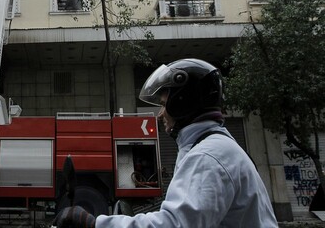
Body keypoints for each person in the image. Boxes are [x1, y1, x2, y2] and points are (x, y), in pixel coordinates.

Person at [55, 58, 278, 228]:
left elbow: (174, 224)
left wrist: (97, 224)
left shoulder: (208, 156)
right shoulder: (212, 147)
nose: (160, 114)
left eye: (163, 104)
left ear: (183, 102)